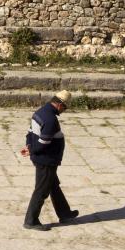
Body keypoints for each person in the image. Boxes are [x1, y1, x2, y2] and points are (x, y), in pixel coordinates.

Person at [20, 90, 79, 230]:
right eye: (65, 108)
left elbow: (29, 133)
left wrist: (29, 146)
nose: (64, 110)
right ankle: (31, 221)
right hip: (46, 160)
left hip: (41, 157)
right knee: (41, 190)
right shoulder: (51, 119)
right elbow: (44, 143)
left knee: (53, 185)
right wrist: (32, 150)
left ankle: (64, 213)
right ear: (60, 105)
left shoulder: (40, 112)